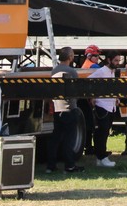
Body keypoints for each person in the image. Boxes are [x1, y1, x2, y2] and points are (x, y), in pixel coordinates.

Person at [47, 46, 83, 174]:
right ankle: (69, 165)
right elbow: (76, 90)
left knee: (55, 138)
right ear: (70, 57)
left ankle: (50, 165)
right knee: (69, 139)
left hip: (57, 109)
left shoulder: (54, 70)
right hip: (69, 108)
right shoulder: (71, 71)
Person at [85, 45, 117, 168]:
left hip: (110, 105)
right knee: (101, 133)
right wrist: (92, 97)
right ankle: (102, 156)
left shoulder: (112, 72)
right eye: (115, 60)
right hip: (102, 105)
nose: (117, 63)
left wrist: (116, 98)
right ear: (109, 60)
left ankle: (101, 157)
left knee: (105, 132)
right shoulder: (102, 71)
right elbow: (88, 81)